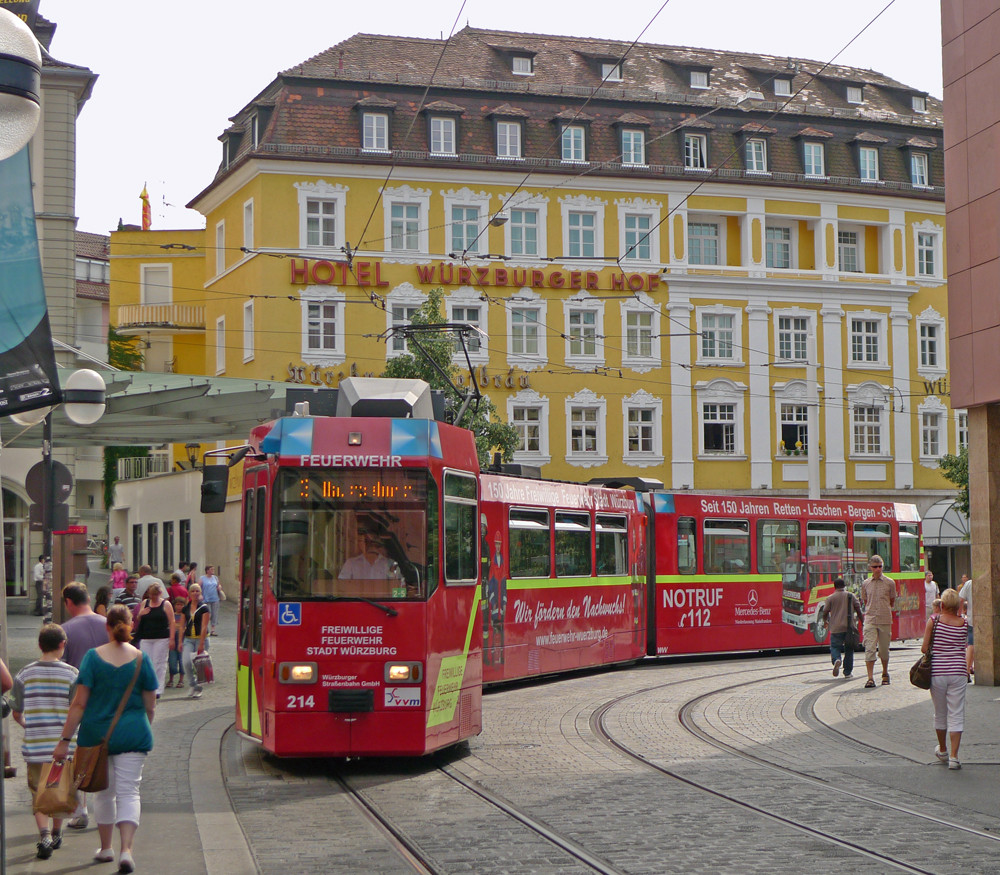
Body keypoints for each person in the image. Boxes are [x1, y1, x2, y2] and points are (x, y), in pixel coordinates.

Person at [53, 605, 158, 873]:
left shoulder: (91, 658)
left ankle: (106, 848)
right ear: (130, 625)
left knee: (103, 793)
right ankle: (127, 850)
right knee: (129, 791)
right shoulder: (140, 659)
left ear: (107, 627)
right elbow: (150, 705)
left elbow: (78, 704)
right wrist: (142, 726)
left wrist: (65, 739)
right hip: (134, 734)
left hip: (96, 736)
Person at [11, 624, 78, 860]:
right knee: (58, 790)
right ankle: (57, 832)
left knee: (38, 793)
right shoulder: (72, 674)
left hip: (36, 745)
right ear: (62, 644)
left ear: (39, 645)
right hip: (62, 745)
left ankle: (44, 835)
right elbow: (76, 710)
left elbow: (16, 712)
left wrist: (29, 725)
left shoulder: (24, 675)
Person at [60, 581, 110, 830]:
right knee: (107, 756)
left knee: (78, 756)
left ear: (69, 602)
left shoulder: (65, 631)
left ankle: (80, 810)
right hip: (111, 701)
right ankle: (112, 810)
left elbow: (63, 672)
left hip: (80, 701)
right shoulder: (108, 624)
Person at [923, 588, 969, 769]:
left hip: (938, 673)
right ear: (958, 606)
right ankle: (954, 757)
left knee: (940, 713)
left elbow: (924, 648)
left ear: (941, 605)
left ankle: (942, 749)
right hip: (958, 672)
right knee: (956, 713)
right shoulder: (964, 623)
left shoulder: (933, 621)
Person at [132, 582, 175, 696]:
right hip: (146, 637)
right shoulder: (145, 603)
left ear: (160, 593)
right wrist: (140, 614)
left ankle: (158, 689)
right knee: (146, 662)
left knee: (159, 662)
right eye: (151, 595)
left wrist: (172, 639)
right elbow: (138, 618)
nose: (153, 597)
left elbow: (172, 622)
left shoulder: (166, 604)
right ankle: (147, 687)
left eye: (155, 595)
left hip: (161, 637)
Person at [861, 554, 896, 688]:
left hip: (885, 619)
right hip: (870, 619)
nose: (878, 569)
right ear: (870, 568)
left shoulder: (889, 583)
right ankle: (870, 678)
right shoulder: (866, 583)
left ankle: (885, 673)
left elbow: (892, 600)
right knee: (869, 648)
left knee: (884, 650)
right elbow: (865, 600)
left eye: (880, 566)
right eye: (875, 567)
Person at [821, 577, 862, 679]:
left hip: (835, 627)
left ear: (834, 586)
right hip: (849, 627)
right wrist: (863, 621)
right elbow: (858, 609)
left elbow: (825, 611)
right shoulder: (851, 596)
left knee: (835, 646)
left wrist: (825, 621)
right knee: (849, 649)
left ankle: (836, 660)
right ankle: (847, 672)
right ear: (844, 586)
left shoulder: (830, 598)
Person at [182, 584, 210, 699]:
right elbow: (182, 626)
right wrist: (179, 641)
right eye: (193, 591)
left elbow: (204, 626)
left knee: (199, 664)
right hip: (188, 639)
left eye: (197, 591)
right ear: (189, 593)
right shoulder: (186, 608)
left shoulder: (204, 608)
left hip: (200, 638)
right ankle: (192, 684)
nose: (195, 593)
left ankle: (199, 688)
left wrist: (202, 643)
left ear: (200, 593)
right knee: (186, 662)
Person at [166, 597, 186, 689]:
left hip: (182, 639)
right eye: (177, 604)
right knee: (172, 661)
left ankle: (181, 680)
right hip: (173, 639)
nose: (179, 607)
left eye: (181, 605)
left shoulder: (185, 616)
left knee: (182, 660)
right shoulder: (172, 615)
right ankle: (171, 679)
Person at [199, 565, 223, 636]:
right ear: (207, 570)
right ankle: (205, 628)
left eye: (213, 569)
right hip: (205, 599)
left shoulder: (215, 578)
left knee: (214, 614)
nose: (213, 571)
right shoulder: (202, 578)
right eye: (211, 569)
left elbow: (218, 585)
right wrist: (200, 594)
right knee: (207, 614)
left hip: (215, 598)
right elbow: (198, 586)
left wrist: (219, 587)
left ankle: (213, 630)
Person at [959, 573, 974, 679]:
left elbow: (960, 599)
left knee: (971, 644)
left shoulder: (969, 584)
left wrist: (960, 614)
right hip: (986, 620)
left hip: (971, 619)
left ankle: (967, 670)